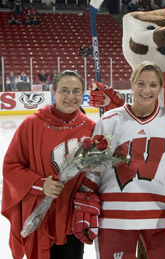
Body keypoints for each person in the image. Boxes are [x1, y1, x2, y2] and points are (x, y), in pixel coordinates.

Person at [89, 61, 165, 258]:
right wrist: (86, 197)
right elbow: (94, 168)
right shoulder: (108, 120)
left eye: (153, 85)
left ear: (160, 88)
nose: (146, 90)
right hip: (115, 216)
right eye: (140, 83)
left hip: (162, 217)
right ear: (131, 84)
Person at [1, 70, 99, 259]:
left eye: (77, 91)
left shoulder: (91, 128)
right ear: (53, 93)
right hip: (40, 217)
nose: (71, 96)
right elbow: (11, 166)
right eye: (64, 90)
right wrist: (40, 184)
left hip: (73, 217)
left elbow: (97, 172)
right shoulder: (32, 125)